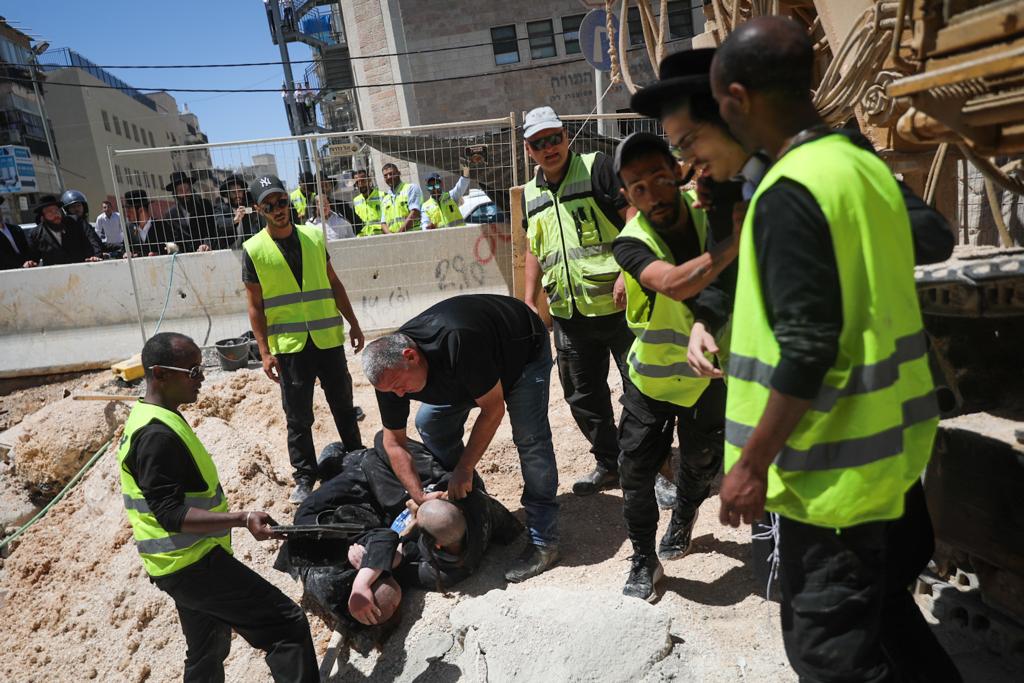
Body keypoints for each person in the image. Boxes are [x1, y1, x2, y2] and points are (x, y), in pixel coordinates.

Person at [711, 17, 961, 682]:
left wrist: (749, 466)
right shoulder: (861, 165)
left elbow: (809, 348)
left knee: (830, 655)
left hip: (833, 484)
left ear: (739, 96)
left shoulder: (791, 191)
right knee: (886, 618)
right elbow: (925, 241)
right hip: (892, 457)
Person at [117, 331, 318, 682]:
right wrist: (242, 519)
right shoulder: (155, 435)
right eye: (192, 371)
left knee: (207, 649)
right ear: (159, 374)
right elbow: (171, 515)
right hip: (192, 565)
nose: (203, 377)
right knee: (286, 625)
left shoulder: (156, 417)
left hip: (179, 563)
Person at [610, 131, 745, 601]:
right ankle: (644, 560)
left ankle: (684, 519)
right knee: (635, 472)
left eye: (660, 179)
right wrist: (733, 239)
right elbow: (673, 284)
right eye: (638, 188)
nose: (653, 195)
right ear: (627, 197)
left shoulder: (709, 207)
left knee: (700, 461)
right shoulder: (630, 242)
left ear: (677, 173)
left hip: (710, 375)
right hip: (652, 380)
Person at [361, 294, 560, 582]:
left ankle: (545, 541)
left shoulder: (458, 341)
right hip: (470, 373)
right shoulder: (389, 377)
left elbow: (493, 410)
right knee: (429, 422)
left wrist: (464, 468)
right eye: (392, 391)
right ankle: (473, 497)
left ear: (411, 356)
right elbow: (393, 442)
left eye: (400, 387)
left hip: (520, 355)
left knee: (531, 440)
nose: (400, 395)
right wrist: (419, 498)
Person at [522, 105, 633, 496]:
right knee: (583, 395)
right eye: (540, 142)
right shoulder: (531, 192)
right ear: (528, 149)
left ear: (566, 137)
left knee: (640, 390)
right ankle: (610, 462)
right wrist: (527, 298)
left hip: (620, 307)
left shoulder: (598, 166)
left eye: (555, 138)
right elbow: (534, 248)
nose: (550, 147)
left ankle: (648, 467)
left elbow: (633, 215)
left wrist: (627, 271)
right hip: (568, 313)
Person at [242, 174, 365, 504]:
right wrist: (265, 352)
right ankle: (304, 476)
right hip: (291, 348)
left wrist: (353, 323)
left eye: (281, 201)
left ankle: (358, 457)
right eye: (269, 205)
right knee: (298, 416)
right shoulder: (254, 250)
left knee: (342, 402)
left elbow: (334, 283)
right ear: (259, 209)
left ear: (289, 200)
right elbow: (255, 305)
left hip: (326, 338)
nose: (278, 209)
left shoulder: (313, 236)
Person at [28, 195, 103, 266]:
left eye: (56, 210)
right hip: (55, 275)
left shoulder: (76, 222)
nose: (55, 214)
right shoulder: (35, 234)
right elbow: (33, 259)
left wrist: (96, 256)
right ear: (43, 217)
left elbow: (92, 241)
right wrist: (30, 263)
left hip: (82, 270)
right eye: (50, 211)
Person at [165, 171, 219, 252]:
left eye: (187, 190)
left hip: (207, 253)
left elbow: (212, 229)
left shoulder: (204, 205)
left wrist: (206, 244)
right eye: (180, 191)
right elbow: (174, 239)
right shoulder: (170, 214)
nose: (185, 194)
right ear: (175, 194)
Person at [121, 189, 182, 258]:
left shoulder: (163, 226)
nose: (127, 215)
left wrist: (158, 255)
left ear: (141, 210)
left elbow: (175, 248)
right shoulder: (129, 229)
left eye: (130, 211)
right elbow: (124, 249)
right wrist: (126, 253)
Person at [219, 173, 264, 249]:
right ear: (227, 194)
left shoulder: (249, 206)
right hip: (231, 251)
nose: (237, 195)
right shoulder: (221, 208)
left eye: (240, 191)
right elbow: (219, 223)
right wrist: (235, 219)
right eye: (233, 192)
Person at [379, 163, 423, 233]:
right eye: (385, 176)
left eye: (391, 174)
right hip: (395, 239)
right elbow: (383, 223)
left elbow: (415, 212)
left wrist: (399, 234)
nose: (389, 177)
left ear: (399, 173)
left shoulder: (411, 188)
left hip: (413, 234)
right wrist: (391, 236)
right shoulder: (385, 199)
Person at [0, 195, 38, 269]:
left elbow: (27, 249)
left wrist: (30, 261)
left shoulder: (16, 229)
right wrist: (21, 267)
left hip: (29, 270)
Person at [352, 169, 384, 237]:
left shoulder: (382, 196)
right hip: (363, 238)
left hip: (380, 235)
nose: (360, 184)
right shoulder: (356, 200)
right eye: (357, 182)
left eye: (363, 181)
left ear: (369, 180)